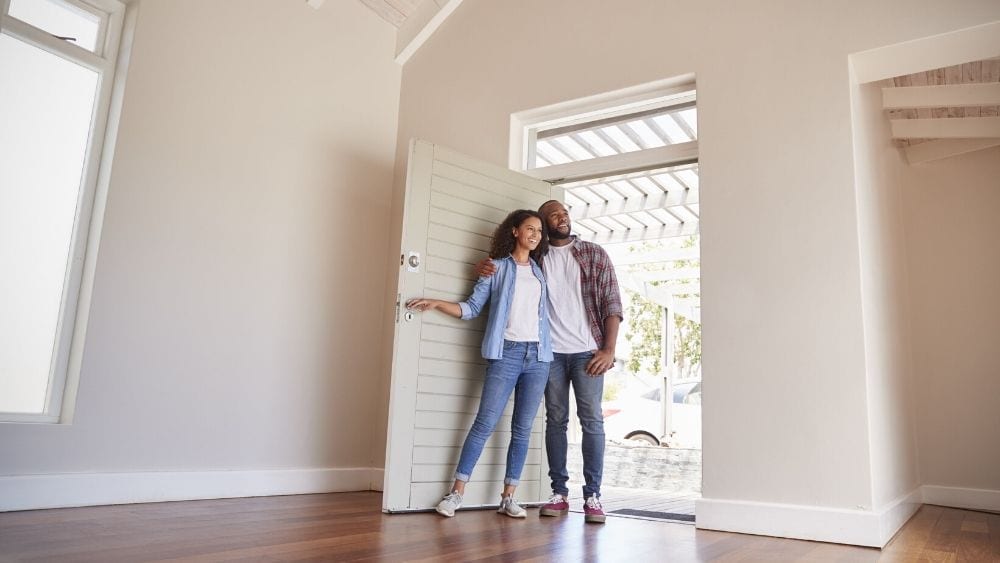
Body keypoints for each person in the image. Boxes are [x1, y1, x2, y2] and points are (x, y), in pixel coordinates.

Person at [476, 200, 622, 524]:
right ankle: (559, 493)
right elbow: (505, 269)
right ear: (542, 223)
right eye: (554, 214)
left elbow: (612, 301)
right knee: (555, 421)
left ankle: (593, 496)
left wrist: (609, 349)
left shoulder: (593, 254)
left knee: (592, 421)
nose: (563, 216)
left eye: (565, 212)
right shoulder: (536, 257)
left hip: (588, 352)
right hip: (549, 353)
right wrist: (484, 268)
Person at [406, 209, 552, 519]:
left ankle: (508, 497)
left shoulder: (541, 271)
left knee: (523, 430)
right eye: (529, 228)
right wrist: (435, 303)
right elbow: (471, 308)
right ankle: (456, 493)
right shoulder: (495, 268)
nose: (535, 234)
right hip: (507, 353)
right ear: (514, 231)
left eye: (539, 230)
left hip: (539, 357)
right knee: (484, 424)